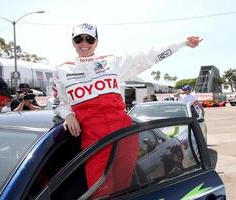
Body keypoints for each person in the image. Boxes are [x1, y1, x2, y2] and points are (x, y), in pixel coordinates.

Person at [54, 22, 202, 197]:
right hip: (95, 142)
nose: (84, 43)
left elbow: (147, 56)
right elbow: (60, 103)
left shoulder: (110, 62)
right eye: (79, 39)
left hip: (124, 136)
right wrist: (68, 114)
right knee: (100, 193)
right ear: (73, 42)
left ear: (96, 41)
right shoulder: (62, 70)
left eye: (89, 38)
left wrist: (182, 43)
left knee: (123, 190)